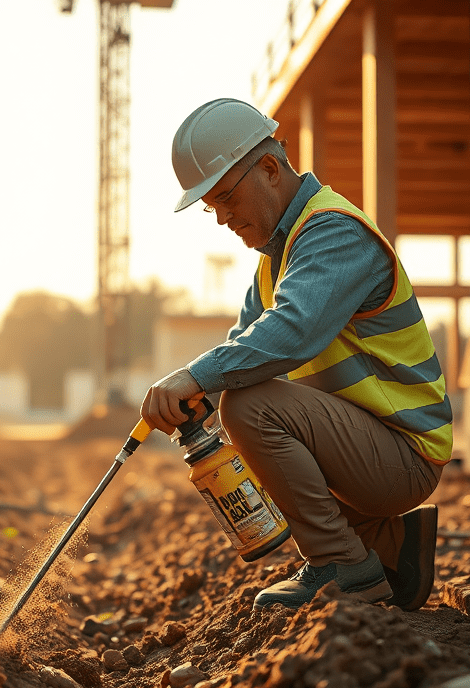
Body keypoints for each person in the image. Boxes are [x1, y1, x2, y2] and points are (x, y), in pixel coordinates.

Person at [140, 98, 452, 612]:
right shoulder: (276, 260)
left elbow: (291, 334)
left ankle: (346, 567)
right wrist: (192, 391)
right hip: (370, 452)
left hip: (403, 453)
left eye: (225, 198)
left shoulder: (333, 231)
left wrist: (194, 377)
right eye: (209, 207)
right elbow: (237, 351)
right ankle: (387, 542)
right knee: (234, 396)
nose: (220, 218)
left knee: (248, 408)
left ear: (268, 169)